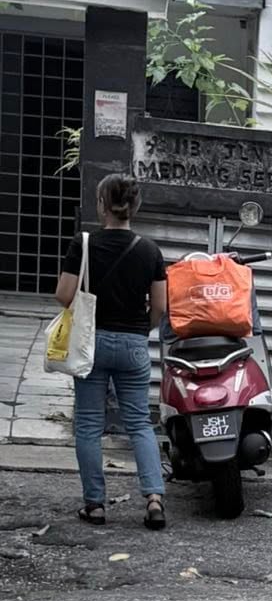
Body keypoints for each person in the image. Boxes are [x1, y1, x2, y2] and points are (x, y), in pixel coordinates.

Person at [57, 173, 169, 531]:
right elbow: (160, 307)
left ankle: (95, 505)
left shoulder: (83, 243)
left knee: (89, 424)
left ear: (102, 204)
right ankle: (154, 499)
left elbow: (64, 295)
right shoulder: (150, 250)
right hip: (133, 344)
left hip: (92, 343)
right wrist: (141, 330)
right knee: (139, 422)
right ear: (135, 206)